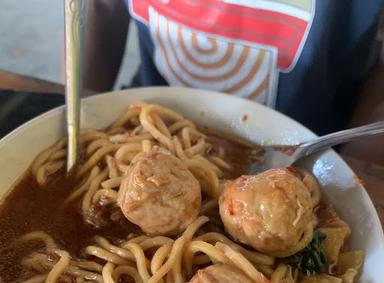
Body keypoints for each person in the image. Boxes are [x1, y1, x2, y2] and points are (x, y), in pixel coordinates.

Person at [84, 0, 384, 162]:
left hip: (310, 148)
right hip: (145, 125)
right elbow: (101, 6)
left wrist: (354, 174)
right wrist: (84, 125)